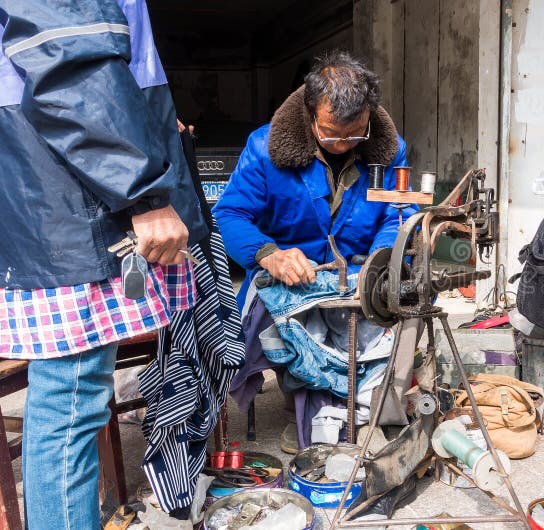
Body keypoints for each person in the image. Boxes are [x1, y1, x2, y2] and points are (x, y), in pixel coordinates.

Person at [0, 1, 207, 528]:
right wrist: (144, 193)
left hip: (62, 193)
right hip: (72, 205)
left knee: (72, 402)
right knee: (71, 405)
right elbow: (71, 64)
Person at [214, 50, 418, 451]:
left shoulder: (389, 149)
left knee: (392, 314)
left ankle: (360, 405)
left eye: (354, 134)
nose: (343, 145)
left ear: (370, 115)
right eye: (331, 134)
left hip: (359, 269)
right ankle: (307, 404)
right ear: (310, 114)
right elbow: (230, 214)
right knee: (280, 322)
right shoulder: (264, 148)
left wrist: (378, 267)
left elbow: (400, 215)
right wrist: (269, 253)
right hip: (295, 273)